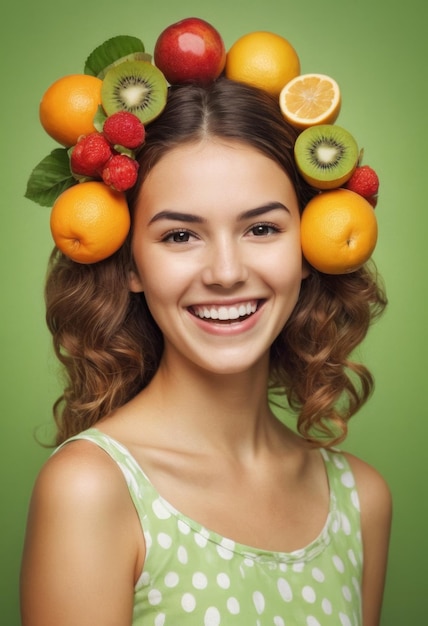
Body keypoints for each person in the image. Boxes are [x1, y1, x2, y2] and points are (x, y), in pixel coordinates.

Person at [20, 77, 391, 626]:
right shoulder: (90, 490)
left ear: (309, 248)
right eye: (180, 236)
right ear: (129, 265)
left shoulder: (362, 500)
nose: (226, 273)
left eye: (262, 228)